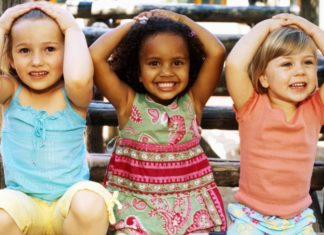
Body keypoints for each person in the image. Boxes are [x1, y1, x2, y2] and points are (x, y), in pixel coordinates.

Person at [90, 9, 227, 234]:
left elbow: (217, 51)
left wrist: (180, 20)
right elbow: (95, 56)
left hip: (190, 212)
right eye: (154, 63)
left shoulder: (193, 101)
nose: (166, 72)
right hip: (136, 210)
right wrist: (133, 25)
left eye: (177, 63)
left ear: (190, 66)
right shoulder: (128, 103)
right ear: (138, 70)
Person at [0, 2, 119, 235]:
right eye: (24, 50)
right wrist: (3, 24)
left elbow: (77, 78)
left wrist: (71, 28)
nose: (37, 61)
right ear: (11, 58)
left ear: (67, 54)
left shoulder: (74, 95)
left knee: (90, 201)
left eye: (50, 49)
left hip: (67, 206)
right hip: (24, 204)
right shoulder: (10, 91)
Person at [225, 13, 324, 234]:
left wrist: (311, 30)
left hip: (298, 222)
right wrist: (265, 27)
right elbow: (234, 64)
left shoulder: (315, 110)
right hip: (251, 220)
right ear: (264, 78)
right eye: (287, 64)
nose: (300, 70)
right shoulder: (251, 107)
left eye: (308, 62)